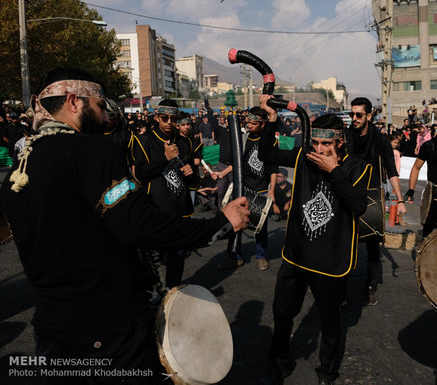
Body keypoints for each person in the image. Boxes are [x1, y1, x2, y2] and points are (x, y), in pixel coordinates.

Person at [1, 67, 249, 383]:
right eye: (101, 105)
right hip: (107, 331)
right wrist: (218, 224)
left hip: (52, 332)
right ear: (75, 102)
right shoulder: (90, 150)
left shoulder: (19, 169)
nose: (106, 116)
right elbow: (137, 223)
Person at [258, 96, 371, 385]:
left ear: (339, 143)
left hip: (331, 261)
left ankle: (327, 372)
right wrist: (271, 118)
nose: (319, 150)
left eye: (326, 145)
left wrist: (334, 171)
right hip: (296, 255)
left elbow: (358, 205)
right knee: (282, 313)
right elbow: (267, 154)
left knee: (330, 324)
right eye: (316, 144)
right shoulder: (303, 156)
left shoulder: (357, 167)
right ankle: (279, 359)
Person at [344, 97, 406, 306]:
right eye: (352, 114)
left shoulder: (380, 139)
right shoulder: (345, 136)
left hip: (371, 194)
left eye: (358, 115)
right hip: (348, 193)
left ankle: (371, 286)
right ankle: (340, 284)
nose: (354, 118)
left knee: (372, 246)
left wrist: (400, 200)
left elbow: (391, 170)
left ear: (369, 116)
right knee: (345, 242)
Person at [132, 99, 196, 288]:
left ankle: (172, 291)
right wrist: (164, 158)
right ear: (157, 117)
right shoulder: (144, 140)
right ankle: (152, 293)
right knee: (153, 258)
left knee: (178, 257)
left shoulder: (185, 142)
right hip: (156, 207)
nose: (169, 122)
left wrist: (191, 173)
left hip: (180, 206)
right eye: (165, 118)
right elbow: (141, 175)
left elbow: (191, 179)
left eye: (173, 118)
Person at [217, 107, 277, 271]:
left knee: (260, 227)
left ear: (263, 124)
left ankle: (261, 255)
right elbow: (238, 163)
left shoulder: (269, 140)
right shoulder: (243, 139)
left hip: (261, 190)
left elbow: (273, 167)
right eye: (248, 121)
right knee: (234, 223)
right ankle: (233, 256)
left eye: (253, 122)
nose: (249, 125)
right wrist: (222, 173)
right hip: (243, 189)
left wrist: (271, 189)